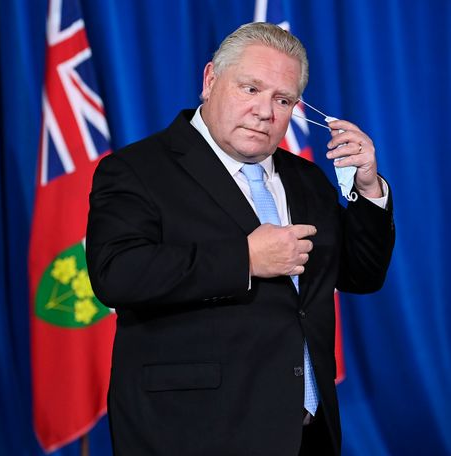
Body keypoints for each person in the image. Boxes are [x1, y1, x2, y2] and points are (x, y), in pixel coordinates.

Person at [86, 22, 394, 456]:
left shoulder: (305, 179)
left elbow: (362, 275)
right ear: (210, 80)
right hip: (192, 434)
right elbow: (116, 275)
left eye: (282, 99)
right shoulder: (136, 169)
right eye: (250, 89)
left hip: (305, 433)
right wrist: (244, 259)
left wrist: (367, 189)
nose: (265, 112)